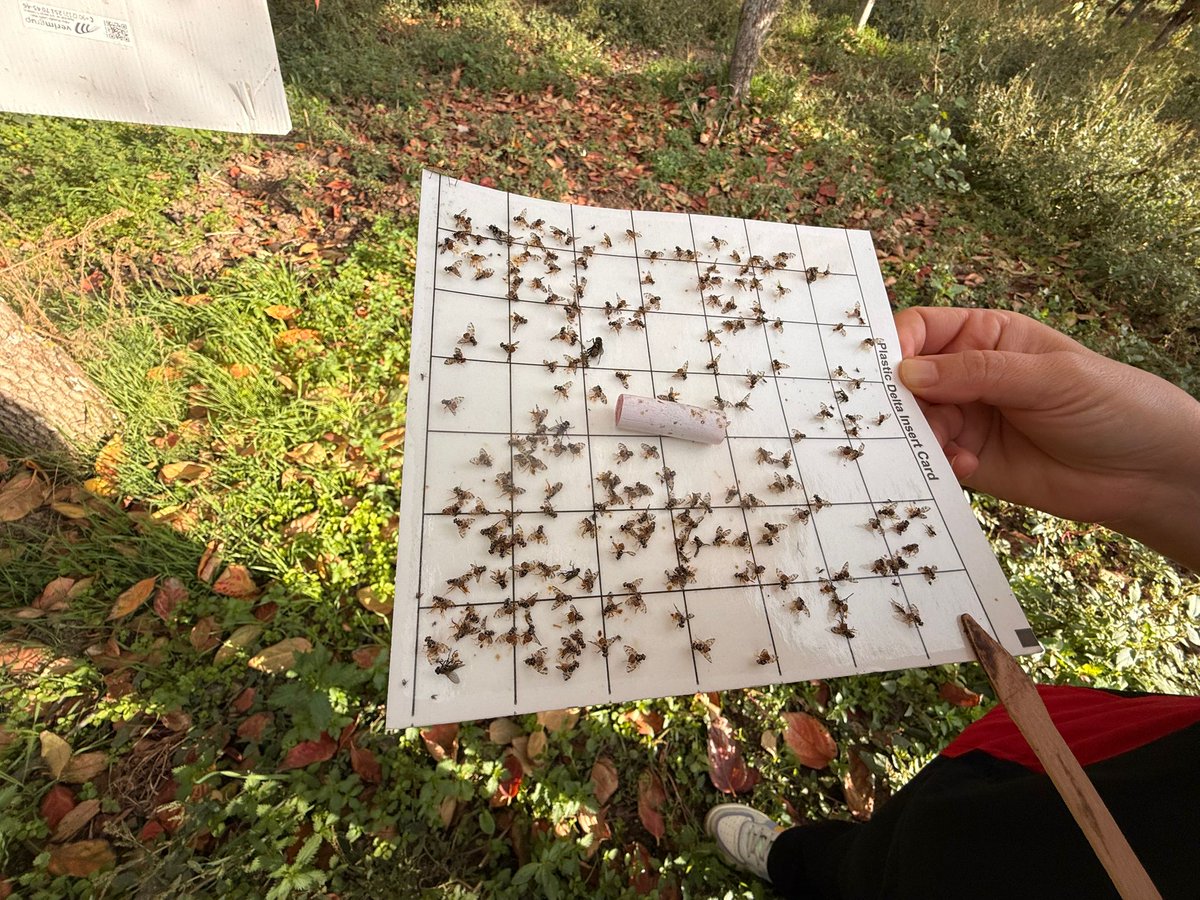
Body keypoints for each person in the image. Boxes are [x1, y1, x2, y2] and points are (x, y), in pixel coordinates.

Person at [705, 306, 1200, 899]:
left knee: (928, 867)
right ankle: (800, 859)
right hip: (1112, 765)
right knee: (907, 837)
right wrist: (1173, 474)